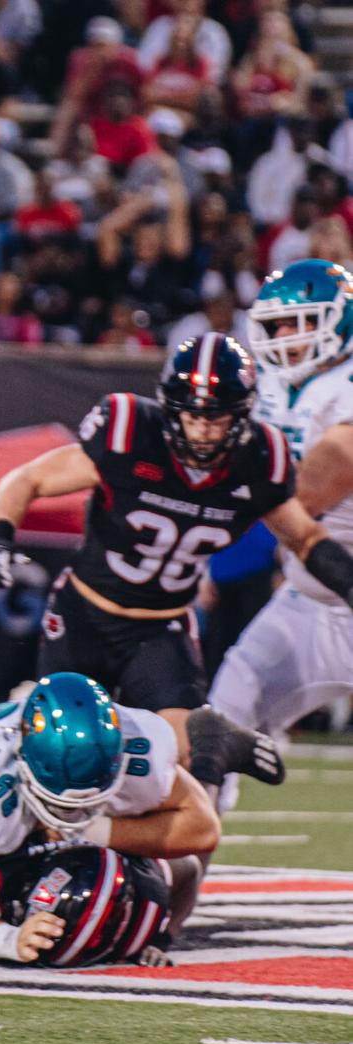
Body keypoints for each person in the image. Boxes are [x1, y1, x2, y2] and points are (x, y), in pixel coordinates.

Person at [0, 334, 353, 738]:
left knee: (184, 750)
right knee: (63, 744)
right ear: (171, 408)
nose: (203, 430)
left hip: (161, 628)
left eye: (217, 417)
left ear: (241, 414)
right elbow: (28, 479)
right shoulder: (130, 434)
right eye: (192, 415)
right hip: (85, 616)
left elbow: (307, 540)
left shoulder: (258, 460)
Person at [0, 673, 287, 968]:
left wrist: (98, 830)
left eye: (88, 803)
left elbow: (202, 831)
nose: (72, 814)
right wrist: (6, 939)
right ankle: (201, 742)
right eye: (62, 804)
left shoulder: (135, 749)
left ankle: (207, 747)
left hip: (56, 805)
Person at [208, 259, 353, 737]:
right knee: (223, 718)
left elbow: (304, 496)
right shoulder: (271, 386)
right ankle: (201, 807)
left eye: (298, 321)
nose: (285, 334)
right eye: (276, 324)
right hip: (313, 597)